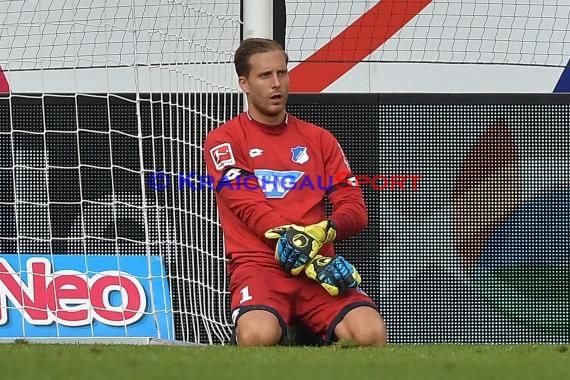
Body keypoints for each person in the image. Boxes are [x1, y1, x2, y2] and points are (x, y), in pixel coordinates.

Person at [203, 38, 387, 347]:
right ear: (244, 83)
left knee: (371, 335)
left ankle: (308, 335)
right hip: (260, 268)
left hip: (318, 268)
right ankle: (288, 331)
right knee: (257, 336)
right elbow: (248, 205)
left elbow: (354, 208)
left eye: (282, 73)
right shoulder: (225, 140)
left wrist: (324, 232)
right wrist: (295, 237)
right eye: (265, 76)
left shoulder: (320, 139)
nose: (276, 84)